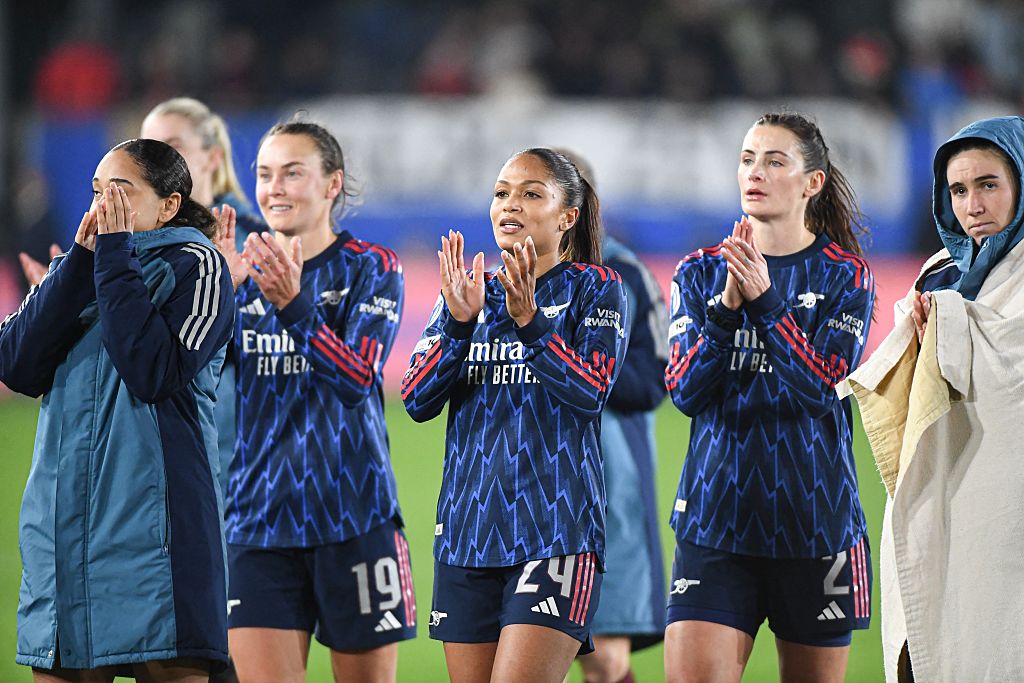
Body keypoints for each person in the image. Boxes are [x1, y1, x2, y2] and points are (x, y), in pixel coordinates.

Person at [0, 138, 234, 681]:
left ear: (169, 205)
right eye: (97, 191)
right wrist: (80, 262)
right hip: (63, 528)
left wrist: (111, 255)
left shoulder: (197, 265)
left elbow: (152, 370)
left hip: (156, 534)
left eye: (121, 191)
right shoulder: (82, 265)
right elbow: (15, 365)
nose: (104, 205)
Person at [403, 147, 630, 683]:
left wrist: (530, 323)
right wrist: (458, 326)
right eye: (502, 193)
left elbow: (589, 392)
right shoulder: (466, 295)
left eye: (532, 194)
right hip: (467, 534)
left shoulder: (596, 289)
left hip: (555, 533)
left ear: (567, 216)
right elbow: (415, 401)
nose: (512, 205)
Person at [663, 112, 875, 683]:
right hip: (715, 524)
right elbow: (685, 391)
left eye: (775, 161)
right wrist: (727, 310)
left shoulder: (845, 277)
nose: (755, 172)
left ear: (813, 182)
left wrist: (766, 304)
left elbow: (818, 388)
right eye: (748, 158)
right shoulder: (701, 273)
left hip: (815, 527)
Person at [223, 121, 414, 683]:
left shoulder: (372, 269)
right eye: (263, 174)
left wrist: (293, 304)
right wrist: (207, 299)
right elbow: (189, 378)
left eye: (292, 172)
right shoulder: (239, 274)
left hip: (354, 517)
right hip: (258, 522)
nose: (274, 188)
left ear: (332, 185)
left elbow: (357, 378)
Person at [840, 115, 1024, 682]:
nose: (973, 204)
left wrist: (947, 325)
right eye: (959, 190)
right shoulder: (937, 275)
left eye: (989, 184)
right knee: (934, 629)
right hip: (942, 483)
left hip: (1006, 493)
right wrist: (929, 331)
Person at [18, 97, 265, 500]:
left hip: (224, 455)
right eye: (148, 143)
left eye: (173, 144)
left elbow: (266, 355)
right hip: (117, 471)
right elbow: (21, 365)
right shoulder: (115, 244)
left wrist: (225, 296)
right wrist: (57, 299)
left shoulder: (248, 238)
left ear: (213, 158)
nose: (158, 155)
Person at [556, 151, 667, 683]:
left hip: (610, 484)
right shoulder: (513, 279)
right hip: (532, 486)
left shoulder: (624, 276)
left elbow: (650, 383)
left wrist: (561, 357)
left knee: (602, 658)